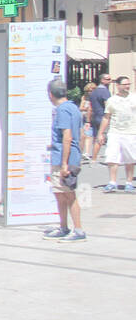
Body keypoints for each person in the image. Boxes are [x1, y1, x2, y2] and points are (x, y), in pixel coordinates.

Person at [43, 79, 85, 241]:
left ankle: (79, 230)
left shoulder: (62, 110)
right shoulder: (74, 108)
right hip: (66, 156)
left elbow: (67, 136)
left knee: (68, 194)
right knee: (59, 193)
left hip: (64, 159)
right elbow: (80, 134)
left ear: (50, 94)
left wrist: (65, 164)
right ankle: (63, 226)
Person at [97, 75, 136, 193]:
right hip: (115, 132)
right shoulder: (111, 100)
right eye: (125, 84)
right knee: (112, 157)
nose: (127, 86)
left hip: (131, 132)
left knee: (130, 158)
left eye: (129, 84)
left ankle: (129, 183)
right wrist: (101, 133)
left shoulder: (134, 98)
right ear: (118, 86)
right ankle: (112, 182)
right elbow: (106, 117)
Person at [88, 74, 111, 158]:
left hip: (95, 117)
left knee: (96, 137)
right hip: (104, 117)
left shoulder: (93, 92)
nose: (110, 81)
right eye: (108, 79)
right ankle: (110, 157)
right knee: (104, 137)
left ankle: (94, 157)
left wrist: (88, 120)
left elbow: (90, 107)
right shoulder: (105, 91)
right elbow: (107, 105)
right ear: (102, 80)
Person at [79, 83, 96, 161]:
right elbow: (80, 108)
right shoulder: (84, 98)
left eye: (92, 90)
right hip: (84, 117)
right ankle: (86, 152)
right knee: (86, 135)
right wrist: (87, 108)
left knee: (90, 135)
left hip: (93, 118)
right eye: (89, 90)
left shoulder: (96, 98)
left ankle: (87, 152)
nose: (91, 92)